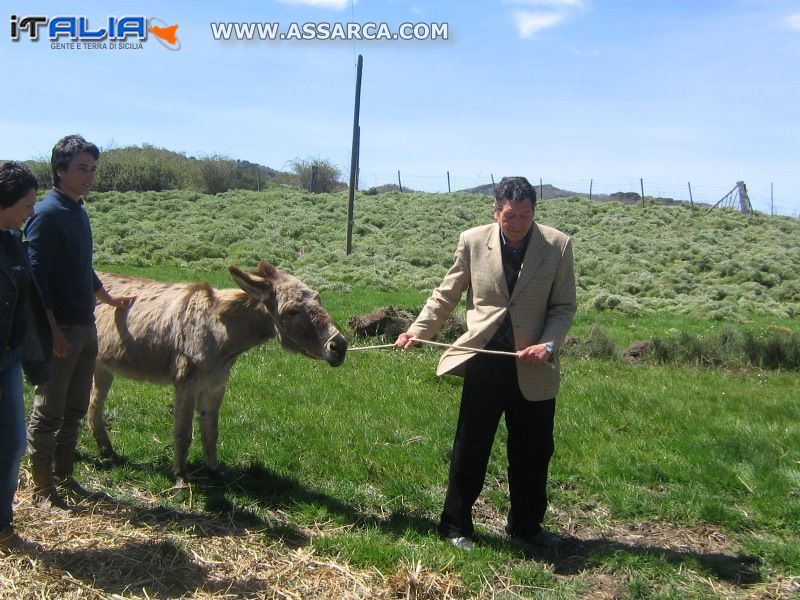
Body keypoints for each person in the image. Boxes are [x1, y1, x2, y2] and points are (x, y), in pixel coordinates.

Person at [395, 176, 576, 551]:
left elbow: (563, 306)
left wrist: (548, 345)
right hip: (486, 363)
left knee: (534, 451)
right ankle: (456, 526)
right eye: (510, 216)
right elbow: (446, 295)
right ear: (496, 212)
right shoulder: (473, 241)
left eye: (526, 215)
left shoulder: (558, 246)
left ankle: (526, 526)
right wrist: (418, 330)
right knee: (471, 447)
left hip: (535, 366)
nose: (518, 223)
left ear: (534, 212)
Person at [25, 135, 135, 513]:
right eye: (81, 169)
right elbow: (37, 277)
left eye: (92, 169)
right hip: (61, 331)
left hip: (86, 325)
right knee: (48, 411)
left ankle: (66, 477)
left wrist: (108, 299)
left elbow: (81, 267)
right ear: (60, 170)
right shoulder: (46, 214)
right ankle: (41, 490)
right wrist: (52, 330)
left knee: (74, 409)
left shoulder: (78, 211)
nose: (89, 176)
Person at [0, 162, 52, 553]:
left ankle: (2, 523)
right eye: (27, 204)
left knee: (13, 443)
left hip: (9, 357)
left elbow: (27, 300)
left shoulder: (12, 240)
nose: (32, 213)